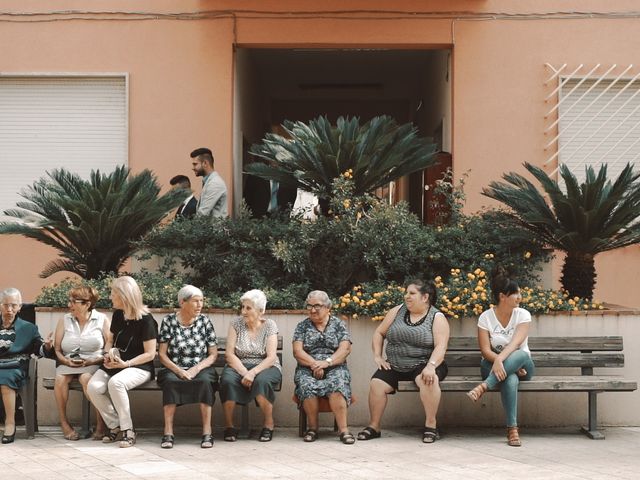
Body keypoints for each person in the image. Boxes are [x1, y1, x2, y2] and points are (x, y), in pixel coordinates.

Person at [358, 279, 449, 443]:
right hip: (395, 363)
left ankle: (431, 425)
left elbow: (441, 347)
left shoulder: (437, 317)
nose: (407, 296)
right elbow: (379, 332)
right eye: (406, 292)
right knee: (377, 383)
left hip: (424, 363)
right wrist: (377, 356)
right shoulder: (397, 311)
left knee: (429, 379)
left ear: (425, 297)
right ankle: (374, 426)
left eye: (412, 293)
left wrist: (431, 366)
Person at [467, 267, 535, 447]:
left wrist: (500, 360)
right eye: (515, 293)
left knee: (519, 354)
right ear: (502, 296)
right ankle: (512, 429)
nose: (520, 297)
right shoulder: (486, 317)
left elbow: (515, 345)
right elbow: (485, 350)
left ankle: (484, 386)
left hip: (524, 365)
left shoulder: (523, 315)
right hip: (491, 365)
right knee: (510, 378)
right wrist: (498, 361)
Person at [87, 276, 157, 448]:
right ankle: (115, 425)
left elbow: (150, 354)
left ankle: (128, 430)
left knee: (115, 383)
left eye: (113, 293)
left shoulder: (147, 320)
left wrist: (126, 364)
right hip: (116, 364)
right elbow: (110, 340)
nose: (110, 297)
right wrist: (107, 355)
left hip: (139, 366)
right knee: (93, 387)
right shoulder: (118, 314)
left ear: (124, 296)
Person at [157, 285, 218, 449]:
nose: (200, 305)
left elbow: (213, 354)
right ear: (182, 302)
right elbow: (162, 354)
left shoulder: (205, 321)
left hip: (200, 367)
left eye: (201, 301)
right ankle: (168, 432)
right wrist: (178, 370)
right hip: (174, 367)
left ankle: (207, 431)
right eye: (195, 301)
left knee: (205, 381)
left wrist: (195, 369)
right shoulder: (168, 321)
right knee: (170, 382)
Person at [292, 290, 354, 444]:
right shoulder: (302, 326)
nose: (313, 310)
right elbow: (297, 351)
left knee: (337, 383)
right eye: (310, 306)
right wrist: (314, 364)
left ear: (328, 307)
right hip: (308, 367)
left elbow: (345, 349)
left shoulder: (339, 324)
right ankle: (313, 429)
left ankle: (344, 430)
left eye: (317, 306)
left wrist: (326, 363)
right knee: (306, 384)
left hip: (334, 366)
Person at [220, 289, 281, 442]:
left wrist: (252, 373)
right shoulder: (236, 324)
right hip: (238, 365)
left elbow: (271, 357)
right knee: (227, 381)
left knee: (262, 381)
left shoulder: (270, 326)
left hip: (265, 366)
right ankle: (229, 426)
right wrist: (244, 372)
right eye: (243, 307)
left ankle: (268, 424)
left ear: (260, 311)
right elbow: (229, 354)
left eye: (248, 308)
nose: (243, 312)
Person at [53, 286, 110, 440]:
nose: (69, 304)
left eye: (74, 301)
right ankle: (64, 423)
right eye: (69, 301)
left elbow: (109, 347)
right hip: (68, 362)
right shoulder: (64, 320)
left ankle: (101, 424)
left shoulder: (102, 319)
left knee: (86, 378)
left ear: (87, 303)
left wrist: (95, 360)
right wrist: (65, 360)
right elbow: (57, 349)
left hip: (93, 362)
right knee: (60, 380)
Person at [0, 288, 48, 443]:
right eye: (5, 305)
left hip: (16, 367)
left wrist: (47, 347)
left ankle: (10, 423)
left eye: (13, 305)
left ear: (20, 307)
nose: (9, 309)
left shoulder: (29, 328)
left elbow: (38, 349)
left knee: (5, 378)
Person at [191, 147, 228, 219]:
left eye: (195, 164)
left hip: (214, 230)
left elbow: (202, 213)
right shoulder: (210, 181)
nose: (192, 167)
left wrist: (187, 228)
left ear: (205, 163)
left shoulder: (215, 183)